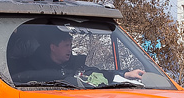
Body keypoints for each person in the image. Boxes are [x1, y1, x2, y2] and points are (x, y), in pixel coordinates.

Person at [14, 25, 145, 85]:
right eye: (66, 45)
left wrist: (125, 74)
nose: (70, 50)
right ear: (53, 47)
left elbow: (97, 73)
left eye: (70, 45)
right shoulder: (29, 67)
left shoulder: (75, 66)